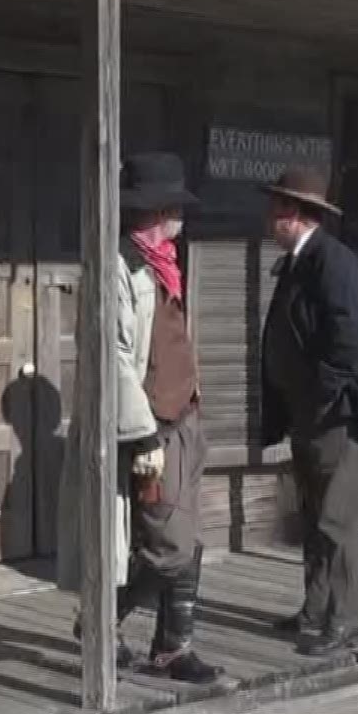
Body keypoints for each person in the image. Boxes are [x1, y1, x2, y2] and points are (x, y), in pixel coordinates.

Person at [60, 152, 224, 685]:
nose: (179, 215)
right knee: (168, 543)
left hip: (185, 419)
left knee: (188, 536)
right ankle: (101, 621)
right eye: (172, 206)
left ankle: (173, 648)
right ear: (154, 210)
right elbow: (114, 358)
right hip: (151, 427)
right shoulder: (118, 266)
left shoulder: (164, 262)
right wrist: (145, 433)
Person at [258, 166, 358, 657]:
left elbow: (349, 340)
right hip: (309, 415)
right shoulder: (298, 262)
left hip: (339, 415)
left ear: (294, 214)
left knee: (339, 521)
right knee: (314, 518)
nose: (269, 219)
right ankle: (314, 609)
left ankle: (349, 618)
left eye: (276, 211)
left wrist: (322, 395)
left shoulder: (334, 262)